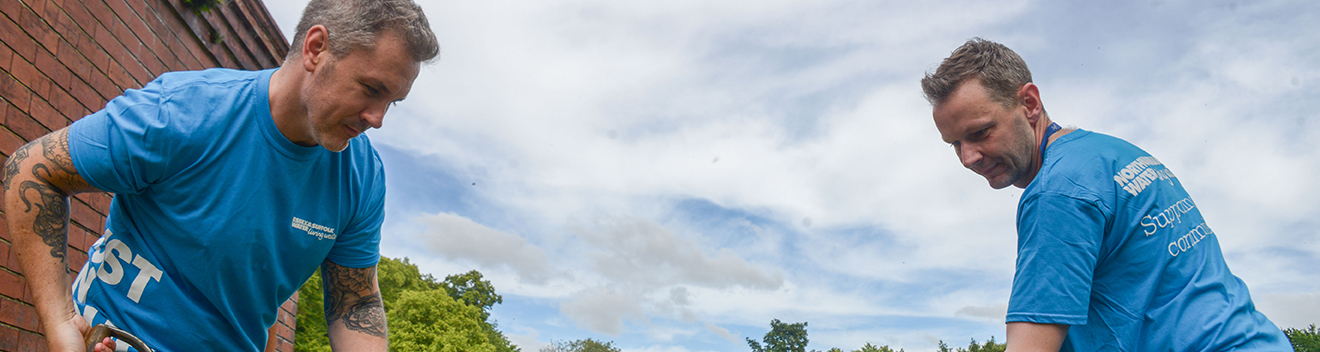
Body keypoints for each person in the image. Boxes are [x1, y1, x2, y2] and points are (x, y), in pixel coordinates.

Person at [3, 0, 439, 350]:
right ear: (316, 48)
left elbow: (354, 301)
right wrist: (60, 326)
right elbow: (31, 170)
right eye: (372, 89)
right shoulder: (183, 111)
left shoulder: (362, 177)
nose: (378, 119)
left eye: (392, 102)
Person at [920, 38, 1292, 351]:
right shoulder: (1115, 154)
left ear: (1030, 104)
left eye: (980, 132)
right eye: (954, 144)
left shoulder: (1057, 193)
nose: (968, 158)